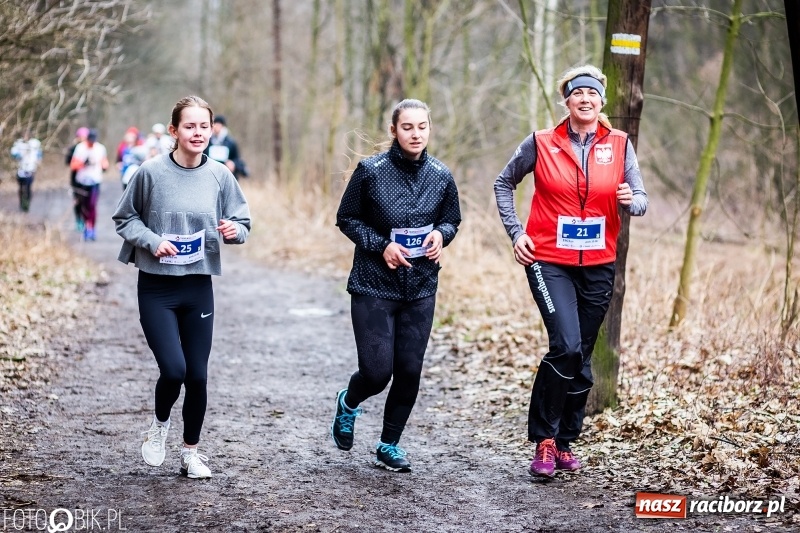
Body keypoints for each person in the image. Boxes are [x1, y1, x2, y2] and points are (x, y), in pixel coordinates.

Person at [493, 64, 648, 478]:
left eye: (593, 94)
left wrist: (632, 198)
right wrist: (516, 233)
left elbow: (642, 197)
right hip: (548, 259)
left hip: (598, 264)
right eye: (578, 93)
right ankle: (543, 440)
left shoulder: (619, 144)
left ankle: (564, 441)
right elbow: (503, 182)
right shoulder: (541, 142)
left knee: (580, 354)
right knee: (565, 344)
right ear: (567, 100)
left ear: (601, 101)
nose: (585, 99)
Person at [112, 95, 251, 479]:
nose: (197, 133)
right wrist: (152, 241)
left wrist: (234, 230)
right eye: (189, 126)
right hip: (157, 288)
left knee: (199, 375)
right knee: (173, 370)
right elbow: (125, 218)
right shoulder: (150, 173)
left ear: (211, 130)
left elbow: (243, 222)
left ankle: (191, 453)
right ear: (174, 131)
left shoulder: (220, 175)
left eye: (203, 126)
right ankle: (159, 427)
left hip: (197, 288)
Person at [331, 98, 461, 473]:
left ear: (429, 129)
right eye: (408, 127)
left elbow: (452, 220)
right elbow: (347, 218)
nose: (415, 133)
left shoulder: (441, 174)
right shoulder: (370, 171)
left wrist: (441, 235)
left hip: (420, 286)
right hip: (374, 285)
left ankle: (388, 444)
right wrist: (381, 245)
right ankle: (348, 402)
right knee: (376, 373)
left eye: (422, 126)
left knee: (409, 370)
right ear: (393, 130)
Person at [70, 129, 109, 241]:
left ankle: (91, 228)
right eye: (89, 141)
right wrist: (83, 163)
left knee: (92, 205)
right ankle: (86, 226)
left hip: (95, 181)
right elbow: (73, 165)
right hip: (81, 182)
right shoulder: (80, 148)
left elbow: (104, 162)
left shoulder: (100, 148)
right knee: (83, 206)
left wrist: (104, 166)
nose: (91, 143)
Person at [10, 130, 42, 212]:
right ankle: (21, 203)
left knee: (28, 187)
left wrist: (38, 160)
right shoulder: (18, 143)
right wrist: (19, 155)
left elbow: (39, 154)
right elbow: (13, 153)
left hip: (31, 169)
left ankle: (26, 205)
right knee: (21, 187)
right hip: (20, 169)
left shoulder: (35, 143)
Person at [66, 127, 90, 231]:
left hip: (89, 179)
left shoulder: (91, 148)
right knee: (77, 201)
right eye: (81, 137)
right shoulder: (73, 148)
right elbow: (67, 162)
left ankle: (86, 221)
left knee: (87, 201)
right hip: (75, 179)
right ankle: (78, 220)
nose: (83, 139)